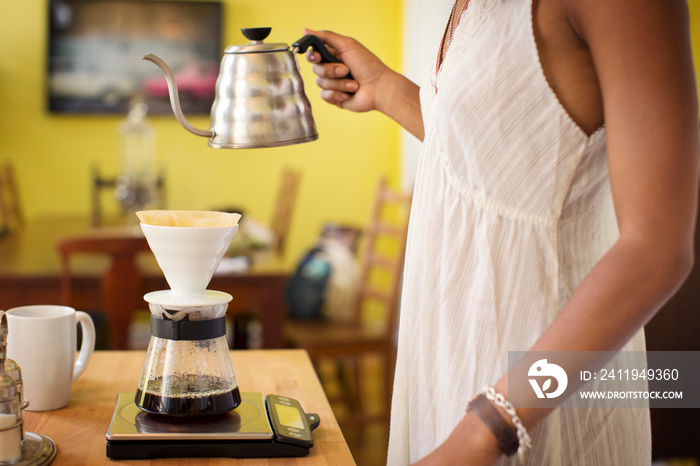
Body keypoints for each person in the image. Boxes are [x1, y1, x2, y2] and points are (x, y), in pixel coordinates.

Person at [302, 0, 699, 464]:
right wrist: (385, 89)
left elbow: (656, 249)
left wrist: (483, 432)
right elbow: (493, 164)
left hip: (535, 393)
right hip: (456, 357)